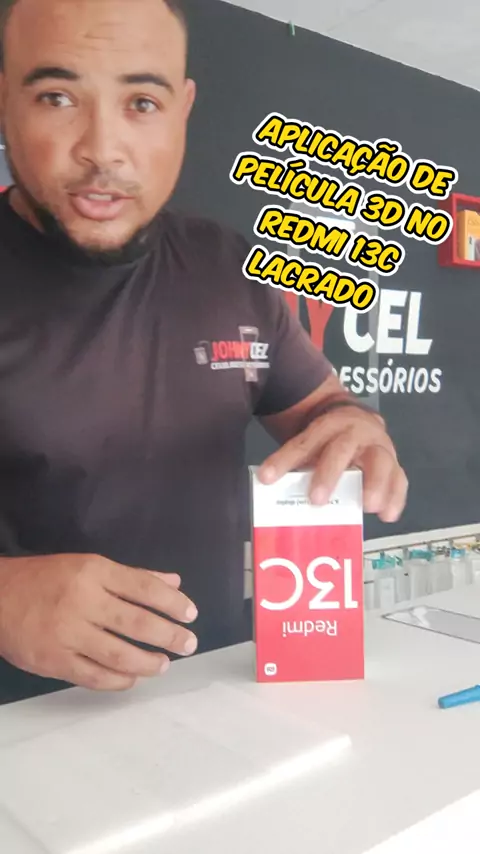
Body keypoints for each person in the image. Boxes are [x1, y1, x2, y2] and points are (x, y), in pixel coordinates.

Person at [0, 0, 408, 705]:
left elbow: (321, 409)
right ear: (6, 99)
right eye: (58, 97)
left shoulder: (228, 267)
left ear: (182, 109)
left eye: (142, 102)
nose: (103, 148)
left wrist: (355, 425)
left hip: (216, 702)